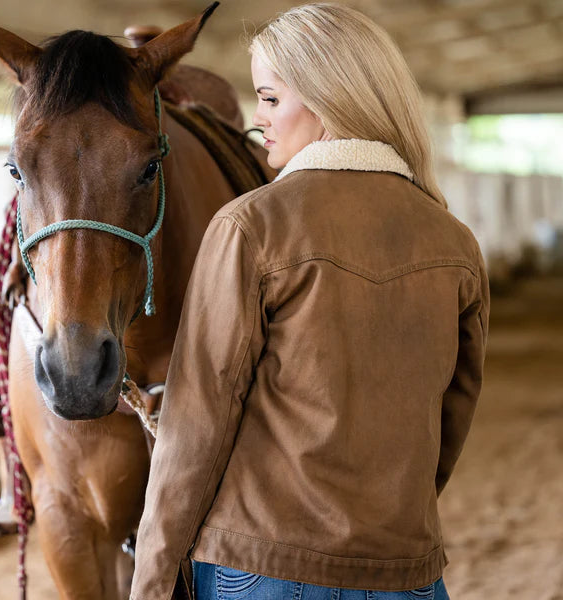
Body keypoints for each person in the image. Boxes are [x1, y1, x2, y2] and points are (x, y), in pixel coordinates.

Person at [130, 4, 489, 600]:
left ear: (329, 97)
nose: (260, 120)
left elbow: (196, 427)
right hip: (408, 573)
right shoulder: (453, 239)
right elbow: (452, 416)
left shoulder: (252, 225)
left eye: (270, 99)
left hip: (263, 566)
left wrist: (153, 578)